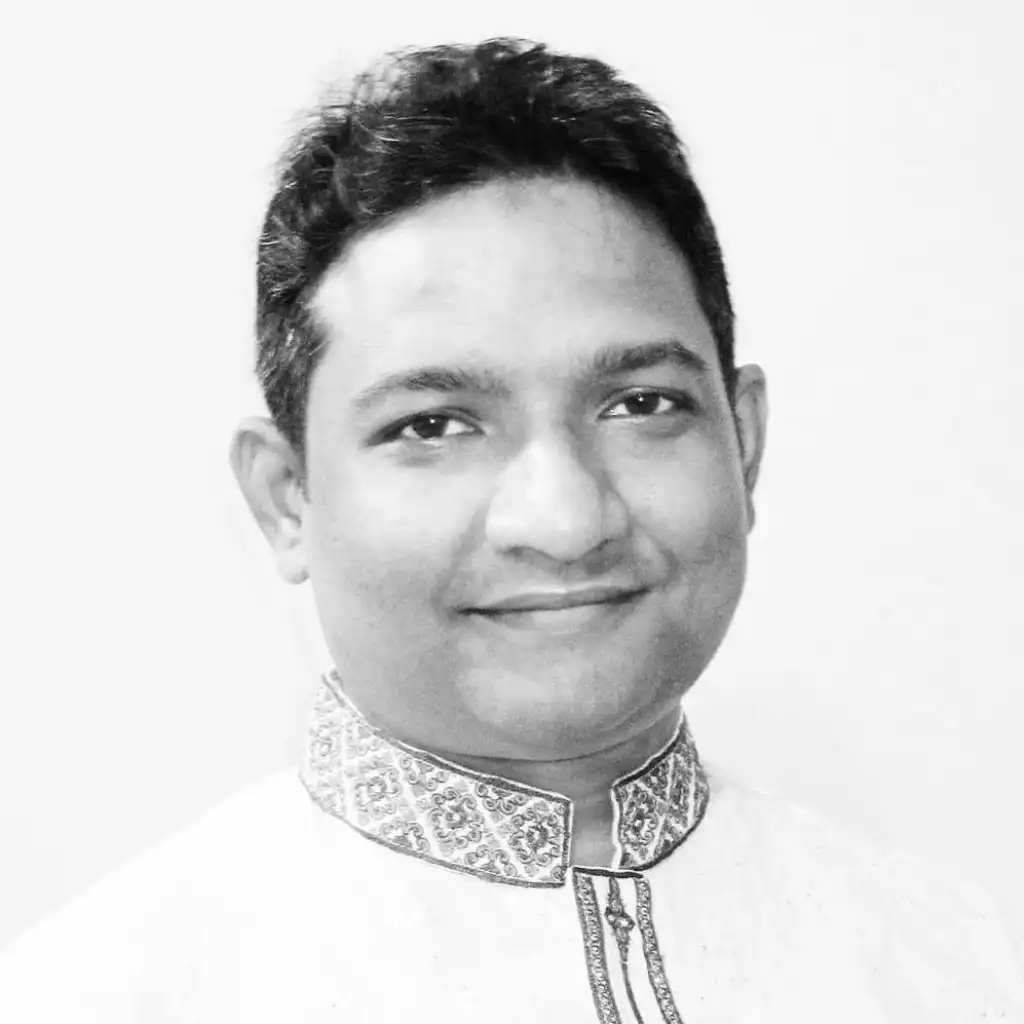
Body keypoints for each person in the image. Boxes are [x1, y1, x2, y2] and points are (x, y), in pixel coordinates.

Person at [0, 36, 1021, 1023]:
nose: (566, 519)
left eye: (640, 404)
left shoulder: (956, 965)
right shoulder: (100, 995)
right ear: (286, 499)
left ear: (743, 443)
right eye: (433, 426)